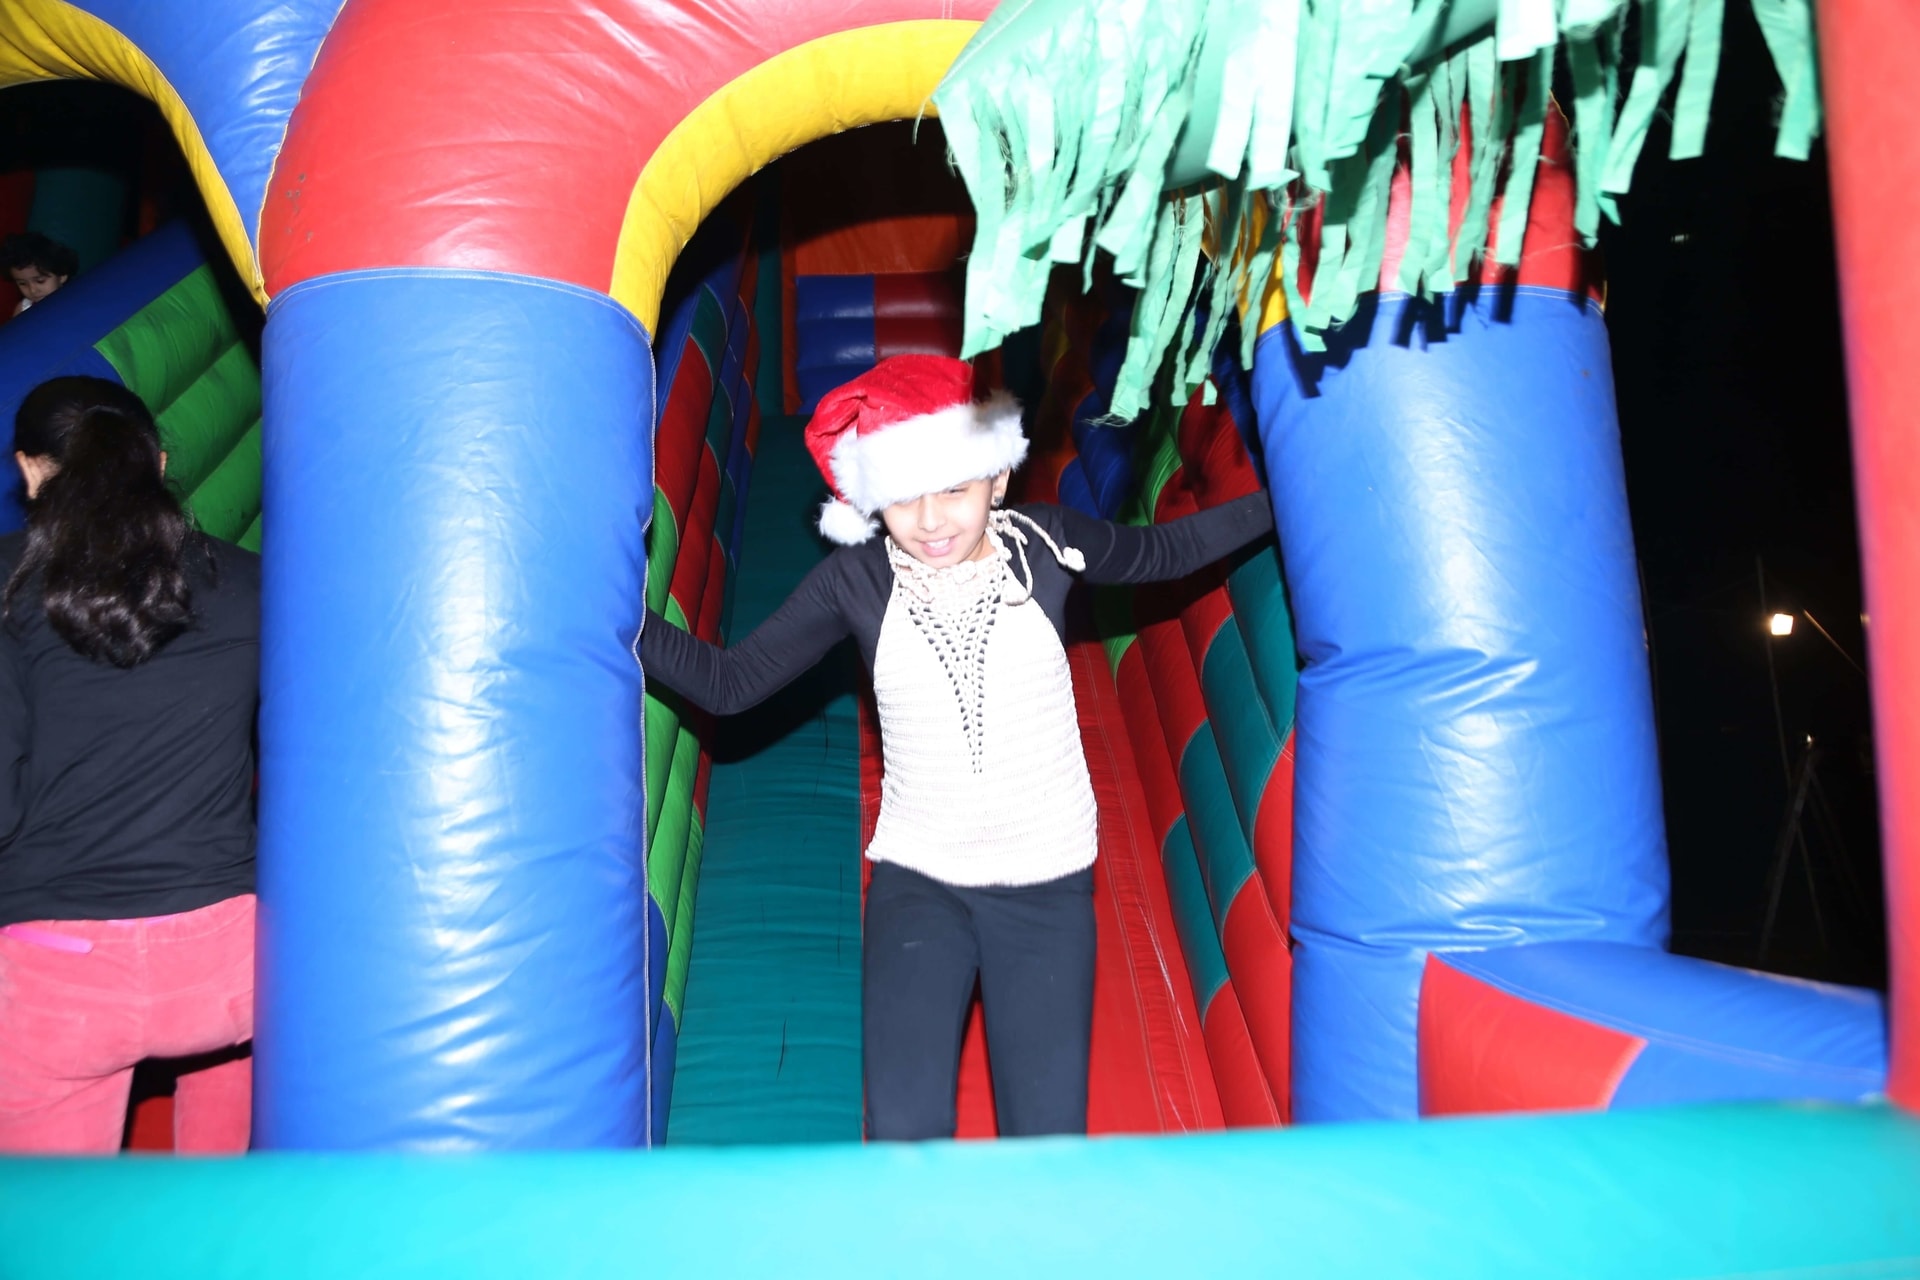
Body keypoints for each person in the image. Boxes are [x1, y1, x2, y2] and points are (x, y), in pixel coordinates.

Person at [638, 354, 1273, 1139]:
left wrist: (1281, 510)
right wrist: (616, 619)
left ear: (997, 479)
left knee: (1045, 1138)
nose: (931, 520)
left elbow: (1165, 553)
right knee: (902, 1131)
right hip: (921, 880)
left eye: (953, 489)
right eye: (904, 495)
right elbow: (732, 683)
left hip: (1046, 884)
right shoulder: (857, 583)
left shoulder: (1048, 545)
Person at [0, 376, 260, 1153]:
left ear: (29, 469)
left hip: (59, 981)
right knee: (223, 1208)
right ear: (160, 462)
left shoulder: (8, 587)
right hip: (233, 962)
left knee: (57, 1221)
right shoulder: (250, 581)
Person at [2, 232, 78, 316]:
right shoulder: (23, 308)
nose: (32, 290)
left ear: (61, 275)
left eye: (40, 281)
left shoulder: (73, 300)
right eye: (22, 283)